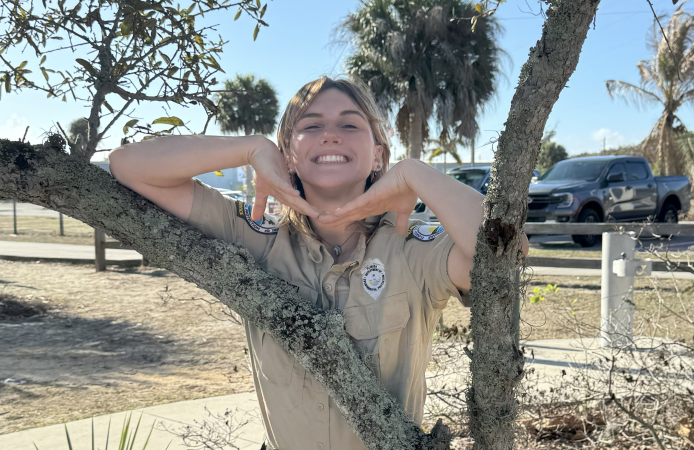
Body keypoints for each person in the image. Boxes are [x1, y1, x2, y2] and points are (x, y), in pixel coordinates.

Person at [109, 76, 528, 450]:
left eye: (349, 124)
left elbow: (505, 251)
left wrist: (416, 174)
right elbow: (128, 166)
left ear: (378, 155)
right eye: (310, 126)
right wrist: (250, 148)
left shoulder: (410, 248)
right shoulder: (255, 235)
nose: (330, 135)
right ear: (288, 155)